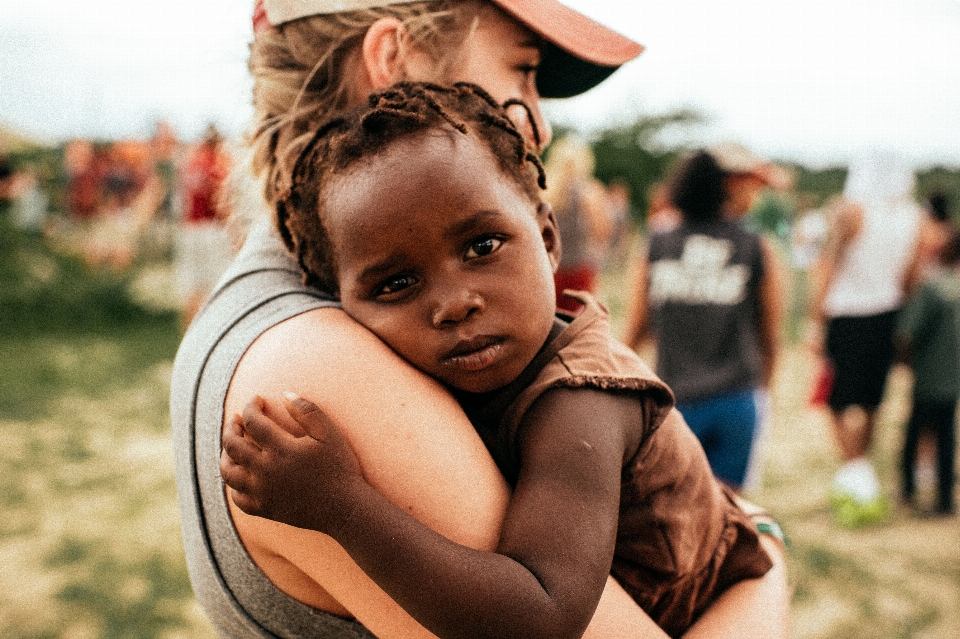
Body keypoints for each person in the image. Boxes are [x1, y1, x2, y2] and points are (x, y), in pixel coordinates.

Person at [170, 2, 790, 638]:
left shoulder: (260, 306)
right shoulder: (312, 362)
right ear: (395, 64)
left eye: (483, 247)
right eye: (521, 72)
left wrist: (753, 553)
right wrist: (766, 565)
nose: (541, 125)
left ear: (546, 237)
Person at [623, 144, 786, 492]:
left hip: (673, 401)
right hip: (736, 399)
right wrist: (763, 392)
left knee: (672, 514)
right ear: (726, 189)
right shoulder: (755, 247)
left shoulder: (656, 245)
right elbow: (770, 335)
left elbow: (635, 328)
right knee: (726, 515)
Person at [807, 149, 924, 527]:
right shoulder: (915, 217)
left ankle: (854, 470)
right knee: (873, 397)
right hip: (886, 314)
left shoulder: (851, 210)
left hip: (846, 313)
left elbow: (828, 265)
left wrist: (815, 319)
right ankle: (861, 473)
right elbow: (910, 276)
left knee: (836, 398)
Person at [894, 230, 960, 517]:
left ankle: (908, 490)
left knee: (913, 434)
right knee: (946, 437)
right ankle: (945, 499)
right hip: (953, 378)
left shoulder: (934, 288)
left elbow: (907, 333)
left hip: (929, 376)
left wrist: (905, 361)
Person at [543, 133, 612, 314]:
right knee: (578, 323)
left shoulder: (545, 191)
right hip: (579, 269)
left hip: (550, 268)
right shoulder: (589, 191)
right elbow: (602, 232)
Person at [175, 125, 233, 327]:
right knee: (217, 286)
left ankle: (188, 341)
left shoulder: (190, 163)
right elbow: (220, 200)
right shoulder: (217, 164)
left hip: (189, 229)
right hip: (212, 229)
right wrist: (234, 233)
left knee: (192, 288)